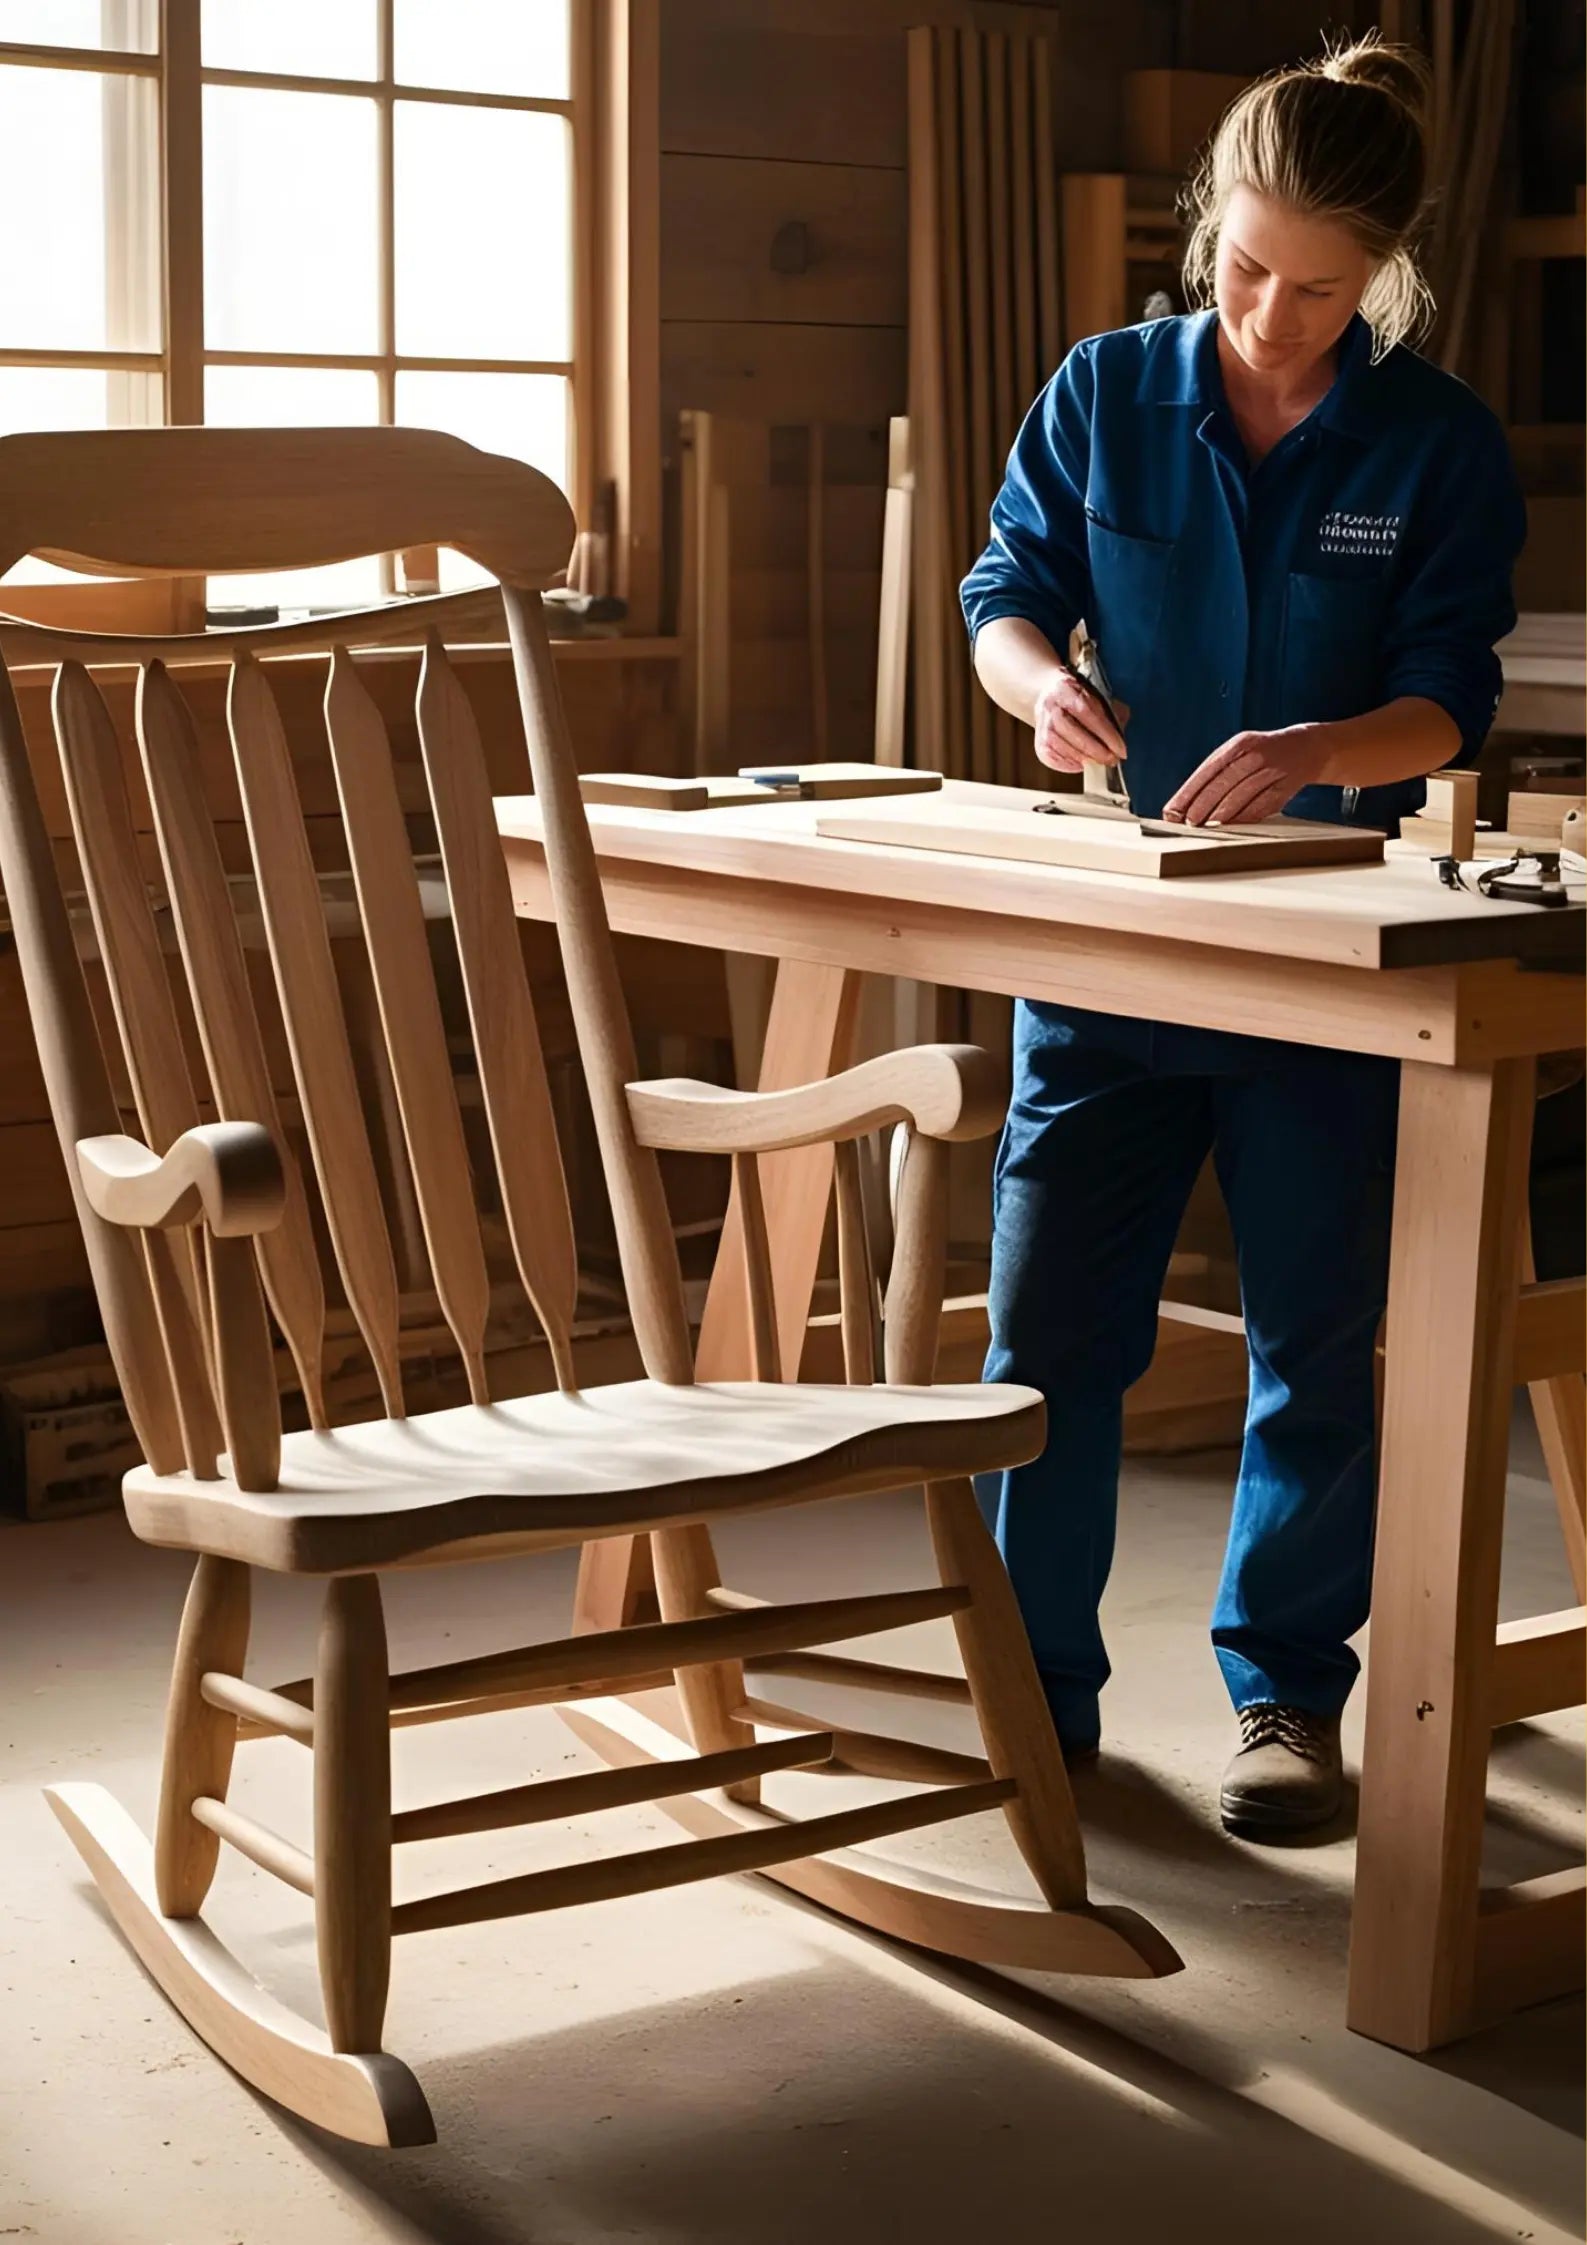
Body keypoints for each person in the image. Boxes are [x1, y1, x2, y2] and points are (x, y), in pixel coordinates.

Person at [961, 36, 1525, 1837]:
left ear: (1390, 279)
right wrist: (1042, 685)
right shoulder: (1104, 392)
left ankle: (1287, 1702)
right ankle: (1029, 1690)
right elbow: (1003, 594)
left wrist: (1326, 755)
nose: (1277, 314)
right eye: (1249, 268)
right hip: (1118, 953)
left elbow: (1449, 696)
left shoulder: (1432, 442)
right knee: (1049, 1343)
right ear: (1208, 226)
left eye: (1325, 286)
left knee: (1314, 1340)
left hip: (1321, 956)